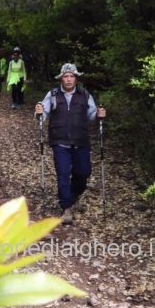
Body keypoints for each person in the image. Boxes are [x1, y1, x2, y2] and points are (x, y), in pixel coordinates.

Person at [34, 63, 107, 225]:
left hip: (80, 140)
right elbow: (43, 113)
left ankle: (72, 196)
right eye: (65, 76)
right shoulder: (52, 94)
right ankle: (66, 207)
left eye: (71, 76)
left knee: (83, 173)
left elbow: (92, 115)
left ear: (76, 78)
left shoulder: (85, 95)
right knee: (63, 174)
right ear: (61, 78)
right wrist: (39, 112)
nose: (68, 79)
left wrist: (99, 115)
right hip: (59, 140)